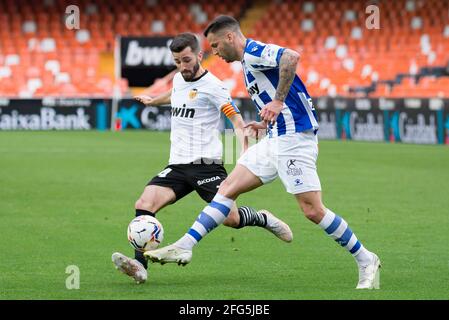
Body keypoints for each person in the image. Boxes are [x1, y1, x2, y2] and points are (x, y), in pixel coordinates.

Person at [145, 17, 381, 290]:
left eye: (217, 45)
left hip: (295, 139)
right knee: (227, 189)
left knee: (312, 210)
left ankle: (366, 259)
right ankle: (185, 246)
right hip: (275, 137)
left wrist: (278, 101)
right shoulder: (247, 64)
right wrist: (266, 121)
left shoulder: (254, 52)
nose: (216, 52)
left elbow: (291, 57)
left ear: (231, 38)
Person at [111, 32, 293, 284]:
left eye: (186, 60)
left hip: (206, 166)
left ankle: (262, 218)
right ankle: (140, 268)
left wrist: (244, 150)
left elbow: (236, 120)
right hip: (177, 165)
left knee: (231, 218)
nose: (182, 66)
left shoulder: (214, 87)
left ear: (198, 56)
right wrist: (154, 102)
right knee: (144, 204)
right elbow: (175, 94)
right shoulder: (177, 80)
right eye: (177, 61)